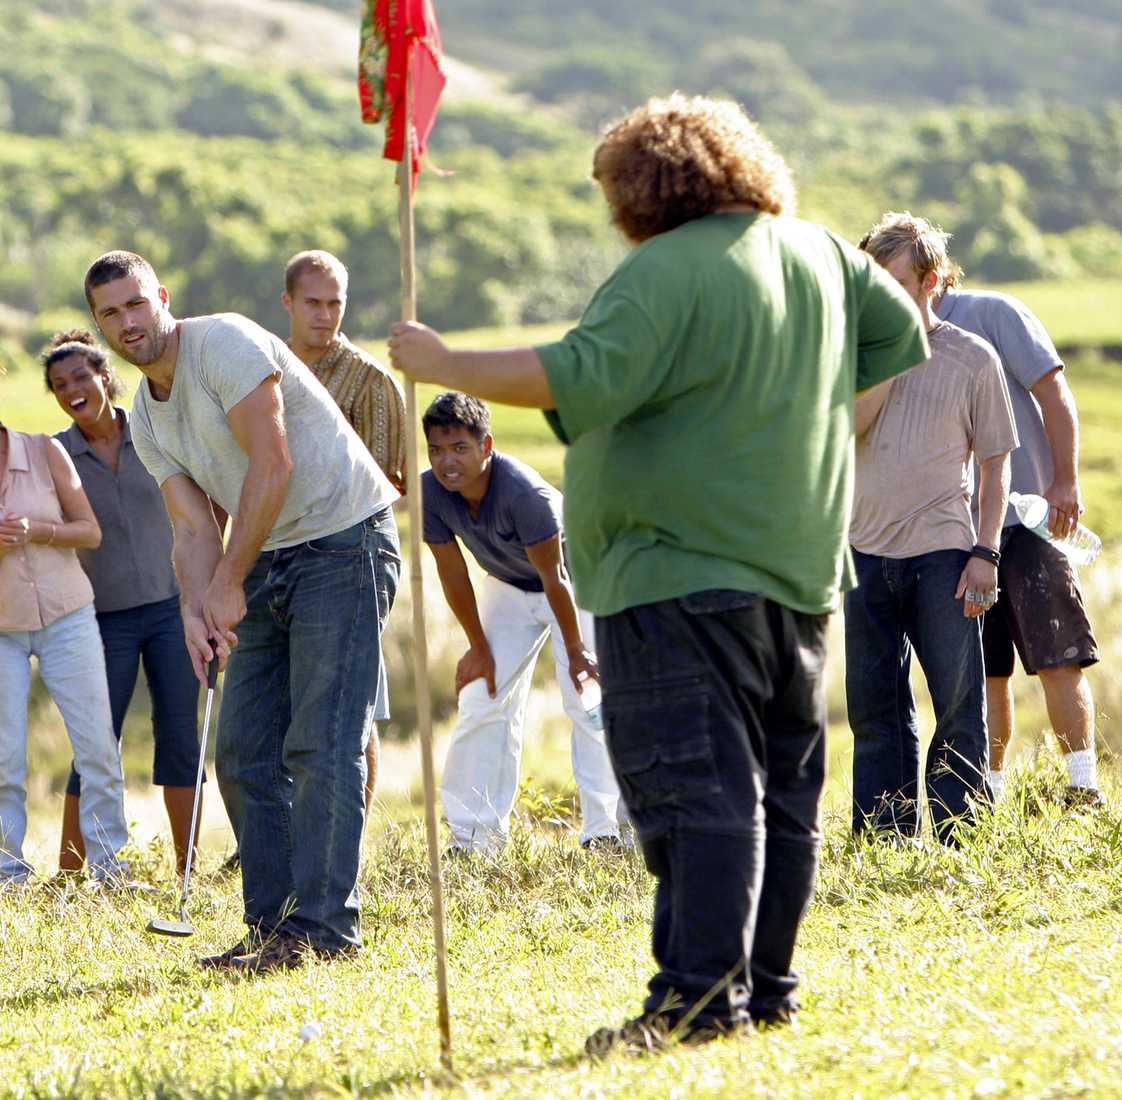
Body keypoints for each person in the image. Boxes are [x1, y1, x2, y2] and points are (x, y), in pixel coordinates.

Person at [388, 95, 928, 1048]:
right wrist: (800, 413)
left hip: (671, 570)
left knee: (693, 791)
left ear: (646, 186)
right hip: (796, 569)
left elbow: (574, 376)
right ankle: (765, 993)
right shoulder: (820, 254)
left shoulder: (666, 269)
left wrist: (439, 360)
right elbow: (900, 337)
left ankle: (692, 1006)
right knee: (778, 793)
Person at [86, 250, 399, 971]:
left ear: (161, 297)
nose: (127, 322)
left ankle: (327, 933)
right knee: (244, 749)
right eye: (110, 313)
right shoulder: (147, 418)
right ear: (98, 324)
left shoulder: (221, 342)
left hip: (344, 539)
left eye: (136, 304)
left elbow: (274, 462)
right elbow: (192, 529)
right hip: (265, 556)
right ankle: (275, 929)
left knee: (322, 744)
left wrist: (229, 580)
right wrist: (197, 608)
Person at [848, 213, 1017, 844]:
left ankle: (958, 835)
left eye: (894, 283)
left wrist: (987, 553)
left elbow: (997, 464)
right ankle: (885, 837)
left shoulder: (974, 359)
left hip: (947, 555)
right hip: (862, 554)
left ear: (932, 280)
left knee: (956, 703)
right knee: (874, 708)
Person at [0, 343, 129, 887]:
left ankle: (111, 866)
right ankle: (9, 873)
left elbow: (88, 531)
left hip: (68, 616)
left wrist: (38, 532)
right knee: (2, 762)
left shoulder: (45, 451)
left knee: (97, 746)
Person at [420, 392, 624, 853]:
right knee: (482, 696)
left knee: (587, 699)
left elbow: (556, 580)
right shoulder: (432, 491)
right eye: (436, 449)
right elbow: (452, 573)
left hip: (579, 580)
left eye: (460, 449)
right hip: (509, 583)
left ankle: (605, 830)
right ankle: (475, 837)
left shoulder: (524, 495)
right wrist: (478, 646)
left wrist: (576, 655)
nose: (447, 461)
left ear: (487, 445)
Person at [933, 280, 1104, 807]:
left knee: (1058, 654)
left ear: (929, 272)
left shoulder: (994, 311)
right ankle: (992, 797)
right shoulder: (896, 335)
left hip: (1028, 518)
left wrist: (1066, 482)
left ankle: (1084, 787)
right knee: (985, 670)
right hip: (958, 530)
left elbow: (1054, 391)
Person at [47, 330, 200, 875]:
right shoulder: (56, 455)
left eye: (81, 377)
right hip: (100, 618)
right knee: (94, 742)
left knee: (182, 735)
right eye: (60, 385)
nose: (72, 390)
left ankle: (188, 868)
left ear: (105, 377)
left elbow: (203, 500)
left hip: (172, 610)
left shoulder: (155, 432)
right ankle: (68, 874)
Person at [281, 248, 405, 822]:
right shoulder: (270, 369)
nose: (326, 315)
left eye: (336, 304)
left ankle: (346, 827)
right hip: (278, 551)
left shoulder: (369, 380)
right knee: (288, 706)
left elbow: (386, 483)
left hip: (348, 556)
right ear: (289, 302)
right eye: (314, 302)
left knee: (349, 707)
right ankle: (285, 828)